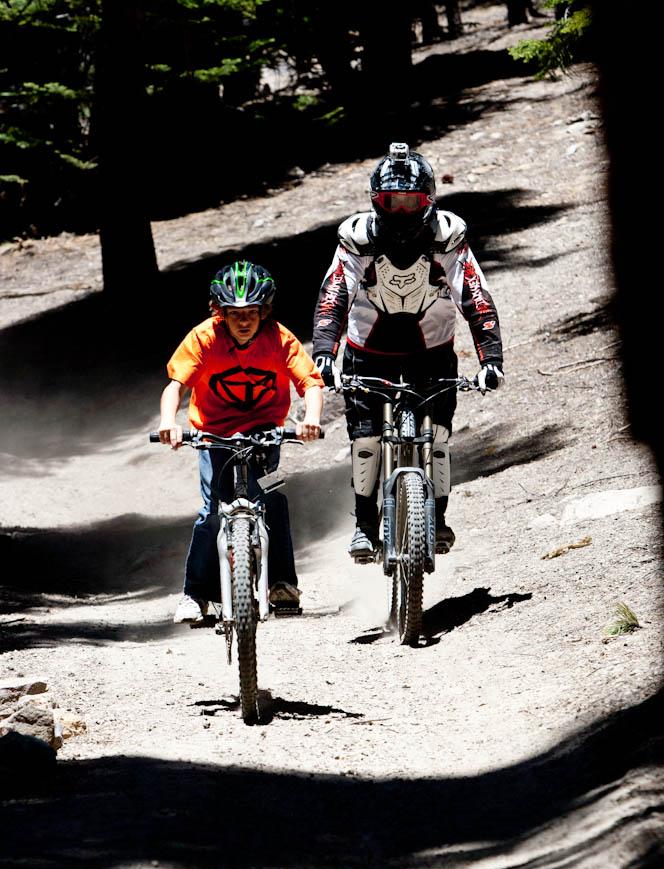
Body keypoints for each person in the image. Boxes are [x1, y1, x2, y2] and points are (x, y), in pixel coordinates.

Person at [312, 142, 504, 560]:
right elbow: (334, 296)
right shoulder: (357, 238)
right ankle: (364, 525)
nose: (400, 212)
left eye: (410, 202)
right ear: (375, 202)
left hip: (432, 354)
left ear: (428, 200)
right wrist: (325, 352)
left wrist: (491, 360)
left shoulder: (448, 236)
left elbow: (475, 296)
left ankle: (436, 518)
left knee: (438, 438)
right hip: (367, 354)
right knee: (365, 441)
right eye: (390, 202)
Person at [159, 260, 324, 622]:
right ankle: (195, 594)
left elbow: (310, 383)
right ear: (220, 313)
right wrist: (168, 422)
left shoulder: (279, 339)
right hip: (213, 437)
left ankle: (282, 583)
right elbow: (175, 387)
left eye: (252, 312)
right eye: (235, 314)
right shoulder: (204, 338)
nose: (245, 321)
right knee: (210, 514)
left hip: (266, 438)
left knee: (273, 497)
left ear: (264, 311)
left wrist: (311, 419)